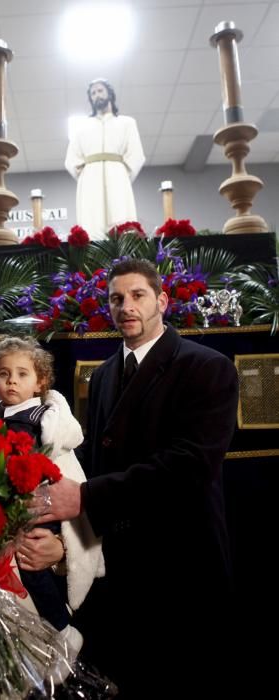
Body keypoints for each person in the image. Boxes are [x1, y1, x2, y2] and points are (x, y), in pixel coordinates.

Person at [34, 259, 240, 699]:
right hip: (120, 570)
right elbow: (91, 460)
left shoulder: (208, 367)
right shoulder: (105, 374)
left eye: (137, 295)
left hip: (182, 566)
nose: (126, 306)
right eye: (116, 298)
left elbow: (190, 465)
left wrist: (86, 497)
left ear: (162, 301)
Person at [0, 337, 104, 655]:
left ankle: (62, 629)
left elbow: (34, 467)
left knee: (33, 570)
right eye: (3, 373)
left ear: (40, 382)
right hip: (8, 511)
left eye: (22, 374)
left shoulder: (38, 421)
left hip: (38, 508)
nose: (11, 381)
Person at [65, 79, 145, 240]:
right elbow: (71, 159)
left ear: (109, 94)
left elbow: (136, 154)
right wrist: (86, 176)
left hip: (118, 176)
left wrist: (121, 175)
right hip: (90, 180)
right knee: (92, 222)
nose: (97, 95)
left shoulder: (126, 123)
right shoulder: (81, 127)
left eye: (100, 90)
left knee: (120, 216)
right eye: (93, 93)